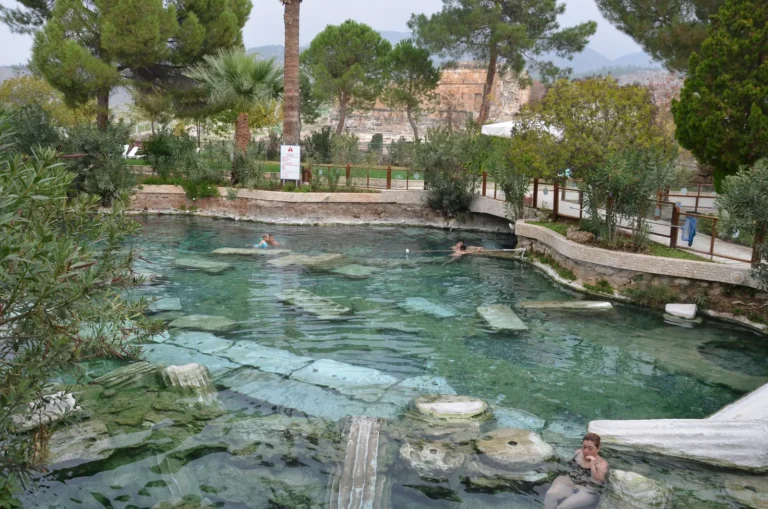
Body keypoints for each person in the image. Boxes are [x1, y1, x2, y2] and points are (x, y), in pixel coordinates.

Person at [543, 433, 609, 509]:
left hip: (588, 490)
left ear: (597, 449)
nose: (586, 451)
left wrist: (592, 466)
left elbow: (598, 482)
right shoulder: (578, 453)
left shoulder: (601, 464)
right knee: (550, 494)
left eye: (590, 448)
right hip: (572, 483)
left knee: (562, 507)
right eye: (584, 447)